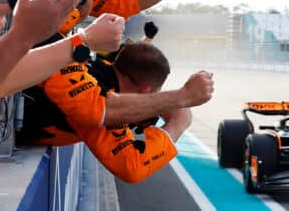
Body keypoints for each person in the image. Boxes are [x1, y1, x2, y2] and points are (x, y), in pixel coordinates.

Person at [18, 43, 213, 183]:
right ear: (145, 91)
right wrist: (177, 125)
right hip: (4, 127)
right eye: (154, 94)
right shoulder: (102, 105)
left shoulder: (99, 67)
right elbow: (131, 166)